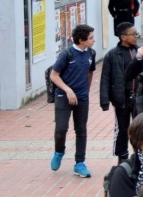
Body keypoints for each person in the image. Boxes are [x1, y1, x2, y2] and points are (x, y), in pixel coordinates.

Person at [49, 24, 96, 177]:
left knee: (81, 129)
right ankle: (59, 151)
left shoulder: (91, 53)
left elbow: (90, 73)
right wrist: (68, 90)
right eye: (91, 38)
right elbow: (54, 75)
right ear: (82, 40)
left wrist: (86, 91)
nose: (93, 40)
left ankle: (79, 163)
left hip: (82, 97)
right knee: (61, 128)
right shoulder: (67, 54)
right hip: (63, 96)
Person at [100, 23, 140, 163]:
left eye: (137, 34)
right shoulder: (112, 55)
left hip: (138, 97)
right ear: (123, 37)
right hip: (122, 98)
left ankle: (139, 156)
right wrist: (104, 100)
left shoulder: (139, 52)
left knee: (140, 128)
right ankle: (122, 157)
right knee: (122, 129)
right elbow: (105, 78)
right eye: (133, 34)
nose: (137, 36)